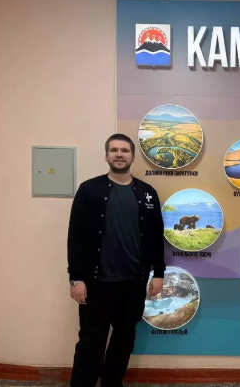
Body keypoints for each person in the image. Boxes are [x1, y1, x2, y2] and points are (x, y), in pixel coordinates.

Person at [67, 133, 166, 387]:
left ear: (132, 156)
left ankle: (112, 382)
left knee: (124, 338)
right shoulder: (89, 190)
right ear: (106, 156)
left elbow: (156, 236)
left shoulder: (147, 193)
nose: (119, 154)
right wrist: (75, 278)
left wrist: (159, 273)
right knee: (91, 341)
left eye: (124, 150)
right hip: (96, 283)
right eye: (114, 150)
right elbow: (75, 235)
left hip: (133, 282)